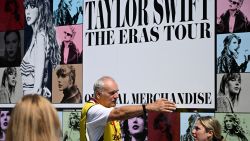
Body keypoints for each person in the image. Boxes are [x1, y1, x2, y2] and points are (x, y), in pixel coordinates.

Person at [80, 76, 176, 141]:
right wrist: (149, 107)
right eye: (112, 93)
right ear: (98, 94)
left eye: (117, 92)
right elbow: (119, 113)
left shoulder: (108, 108)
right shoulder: (93, 110)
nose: (117, 96)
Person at [21, 0, 61, 99]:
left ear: (41, 10)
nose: (28, 12)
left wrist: (39, 88)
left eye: (33, 6)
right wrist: (43, 87)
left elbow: (37, 88)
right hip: (31, 99)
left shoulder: (40, 37)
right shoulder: (35, 37)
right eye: (26, 7)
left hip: (32, 102)